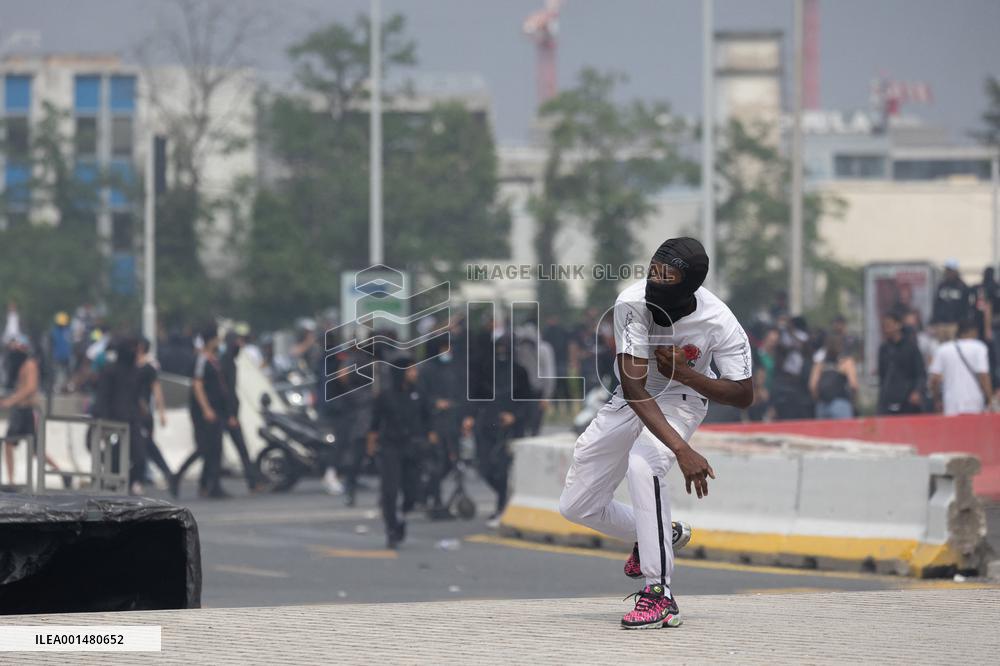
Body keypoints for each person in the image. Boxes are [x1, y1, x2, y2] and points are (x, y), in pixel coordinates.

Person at [558, 237, 753, 630]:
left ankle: (659, 594)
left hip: (684, 397)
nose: (656, 282)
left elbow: (743, 394)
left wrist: (686, 373)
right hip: (635, 396)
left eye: (668, 276)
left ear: (689, 286)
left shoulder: (720, 321)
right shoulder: (631, 301)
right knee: (576, 505)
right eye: (653, 272)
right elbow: (634, 388)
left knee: (643, 464)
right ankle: (664, 533)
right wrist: (683, 450)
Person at [366, 363, 436, 549]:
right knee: (389, 491)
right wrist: (371, 445)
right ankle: (391, 528)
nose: (414, 373)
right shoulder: (385, 395)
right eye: (410, 370)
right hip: (390, 447)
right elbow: (375, 423)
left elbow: (428, 417)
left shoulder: (419, 393)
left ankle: (402, 517)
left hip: (413, 448)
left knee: (412, 492)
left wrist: (430, 437)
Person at [469, 333, 532, 527]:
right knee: (484, 467)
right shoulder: (486, 370)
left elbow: (527, 400)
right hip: (486, 425)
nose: (501, 352)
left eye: (505, 348)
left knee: (502, 469)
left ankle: (501, 507)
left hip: (509, 429)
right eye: (498, 348)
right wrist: (470, 417)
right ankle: (503, 497)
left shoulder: (520, 371)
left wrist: (514, 416)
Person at [173, 325, 231, 499]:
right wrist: (206, 409)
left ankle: (211, 486)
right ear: (211, 340)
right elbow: (197, 385)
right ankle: (177, 476)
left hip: (217, 410)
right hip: (204, 412)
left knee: (215, 449)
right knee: (204, 449)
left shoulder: (214, 359)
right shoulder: (201, 359)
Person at [1, 336, 63, 485]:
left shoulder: (30, 364)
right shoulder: (20, 366)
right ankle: (11, 481)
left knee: (33, 449)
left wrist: (11, 401)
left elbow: (31, 388)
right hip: (20, 410)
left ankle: (61, 473)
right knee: (10, 444)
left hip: (27, 411)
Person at [93, 336, 145, 492]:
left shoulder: (136, 371)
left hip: (132, 421)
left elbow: (137, 397)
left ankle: (128, 482)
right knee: (113, 457)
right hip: (113, 421)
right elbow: (102, 397)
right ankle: (113, 484)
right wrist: (101, 420)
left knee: (140, 457)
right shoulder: (109, 370)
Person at [219, 330, 262, 492]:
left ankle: (253, 482)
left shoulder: (228, 361)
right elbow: (227, 391)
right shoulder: (226, 362)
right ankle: (253, 482)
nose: (241, 346)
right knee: (241, 449)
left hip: (229, 412)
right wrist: (230, 414)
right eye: (238, 342)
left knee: (210, 450)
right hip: (228, 413)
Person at [928, 319, 993, 416]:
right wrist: (989, 398)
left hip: (950, 404)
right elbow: (983, 376)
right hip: (975, 403)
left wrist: (936, 399)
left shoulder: (942, 349)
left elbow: (934, 380)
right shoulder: (979, 348)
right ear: (974, 331)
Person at [136, 338, 173, 487]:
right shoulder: (134, 365)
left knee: (147, 444)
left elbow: (157, 390)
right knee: (144, 444)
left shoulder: (148, 367)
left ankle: (163, 471)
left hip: (144, 412)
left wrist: (161, 412)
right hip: (135, 411)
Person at [877, 311, 927, 415]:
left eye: (889, 325)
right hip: (888, 399)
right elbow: (882, 375)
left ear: (898, 325)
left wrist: (917, 391)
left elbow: (920, 373)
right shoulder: (884, 349)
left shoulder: (911, 347)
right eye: (885, 326)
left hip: (908, 399)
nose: (887, 329)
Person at [808, 336, 858, 419]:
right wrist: (853, 400)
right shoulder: (846, 362)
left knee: (822, 432)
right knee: (844, 431)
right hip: (841, 403)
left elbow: (812, 386)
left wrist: (818, 399)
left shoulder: (820, 364)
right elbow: (853, 385)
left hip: (822, 405)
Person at [931, 260, 970, 342]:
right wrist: (935, 321)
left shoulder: (962, 286)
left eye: (949, 270)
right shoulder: (942, 285)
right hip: (941, 324)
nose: (947, 272)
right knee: (941, 347)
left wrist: (962, 323)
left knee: (953, 347)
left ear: (955, 271)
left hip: (955, 324)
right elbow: (936, 304)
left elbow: (965, 306)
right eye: (947, 270)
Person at [49, 312, 73, 393]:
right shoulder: (54, 331)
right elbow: (51, 344)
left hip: (67, 356)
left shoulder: (68, 331)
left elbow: (70, 343)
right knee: (56, 373)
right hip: (57, 356)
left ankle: (67, 387)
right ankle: (56, 387)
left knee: (68, 372)